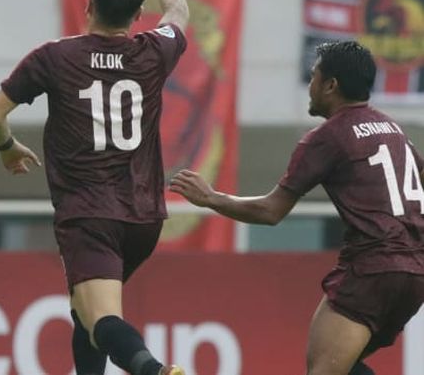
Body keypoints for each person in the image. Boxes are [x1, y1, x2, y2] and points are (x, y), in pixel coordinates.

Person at [0, 0, 189, 375]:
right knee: (83, 310)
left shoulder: (55, 58)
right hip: (145, 219)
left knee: (101, 321)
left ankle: (154, 371)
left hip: (91, 216)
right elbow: (179, 13)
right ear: (136, 17)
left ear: (88, 4)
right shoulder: (153, 51)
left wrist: (6, 149)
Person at [170, 41, 424, 375]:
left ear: (331, 85)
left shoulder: (327, 136)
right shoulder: (395, 132)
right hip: (414, 275)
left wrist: (211, 198)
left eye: (315, 77)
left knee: (322, 369)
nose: (311, 86)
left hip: (370, 271)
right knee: (343, 366)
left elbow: (270, 211)